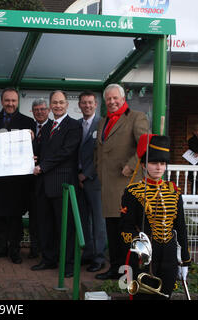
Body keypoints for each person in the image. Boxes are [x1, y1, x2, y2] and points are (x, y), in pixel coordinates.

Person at [120, 134, 191, 300]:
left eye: (162, 163)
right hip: (143, 255)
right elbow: (125, 227)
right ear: (144, 165)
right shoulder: (132, 192)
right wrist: (138, 247)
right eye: (153, 163)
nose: (158, 167)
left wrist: (185, 259)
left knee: (165, 295)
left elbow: (180, 227)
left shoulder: (174, 191)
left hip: (169, 254)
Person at [95, 83, 149, 280]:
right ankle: (115, 268)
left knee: (126, 232)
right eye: (108, 99)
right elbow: (99, 150)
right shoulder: (103, 122)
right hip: (108, 186)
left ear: (123, 98)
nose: (111, 102)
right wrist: (96, 168)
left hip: (127, 186)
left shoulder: (136, 117)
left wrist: (132, 164)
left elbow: (145, 144)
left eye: (115, 98)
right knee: (112, 230)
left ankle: (131, 271)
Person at [30, 90, 82, 278]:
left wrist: (42, 167)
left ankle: (67, 265)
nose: (58, 106)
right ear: (50, 106)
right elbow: (41, 152)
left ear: (67, 104)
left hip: (62, 186)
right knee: (45, 225)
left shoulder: (73, 126)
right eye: (55, 102)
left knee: (64, 227)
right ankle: (48, 259)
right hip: (43, 186)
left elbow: (66, 152)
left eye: (61, 102)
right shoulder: (47, 127)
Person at [0, 87, 36, 264]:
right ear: (1, 101)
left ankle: (15, 250)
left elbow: (32, 150)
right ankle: (0, 248)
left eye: (13, 100)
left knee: (15, 218)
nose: (10, 104)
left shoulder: (28, 122)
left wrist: (32, 141)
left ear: (18, 102)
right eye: (7, 100)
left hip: (17, 181)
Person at [76, 91, 107, 272]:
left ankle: (99, 257)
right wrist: (78, 175)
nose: (87, 106)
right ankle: (87, 254)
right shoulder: (77, 125)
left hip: (94, 181)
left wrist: (86, 174)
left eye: (90, 103)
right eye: (84, 103)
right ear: (79, 105)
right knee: (83, 220)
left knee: (98, 221)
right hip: (78, 180)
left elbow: (101, 155)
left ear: (95, 104)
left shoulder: (102, 124)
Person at [28, 98, 51, 259]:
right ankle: (34, 249)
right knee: (34, 218)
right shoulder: (27, 127)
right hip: (30, 182)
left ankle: (46, 250)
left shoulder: (54, 127)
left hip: (48, 180)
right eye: (36, 110)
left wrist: (41, 162)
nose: (40, 112)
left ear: (48, 110)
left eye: (43, 109)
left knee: (46, 219)